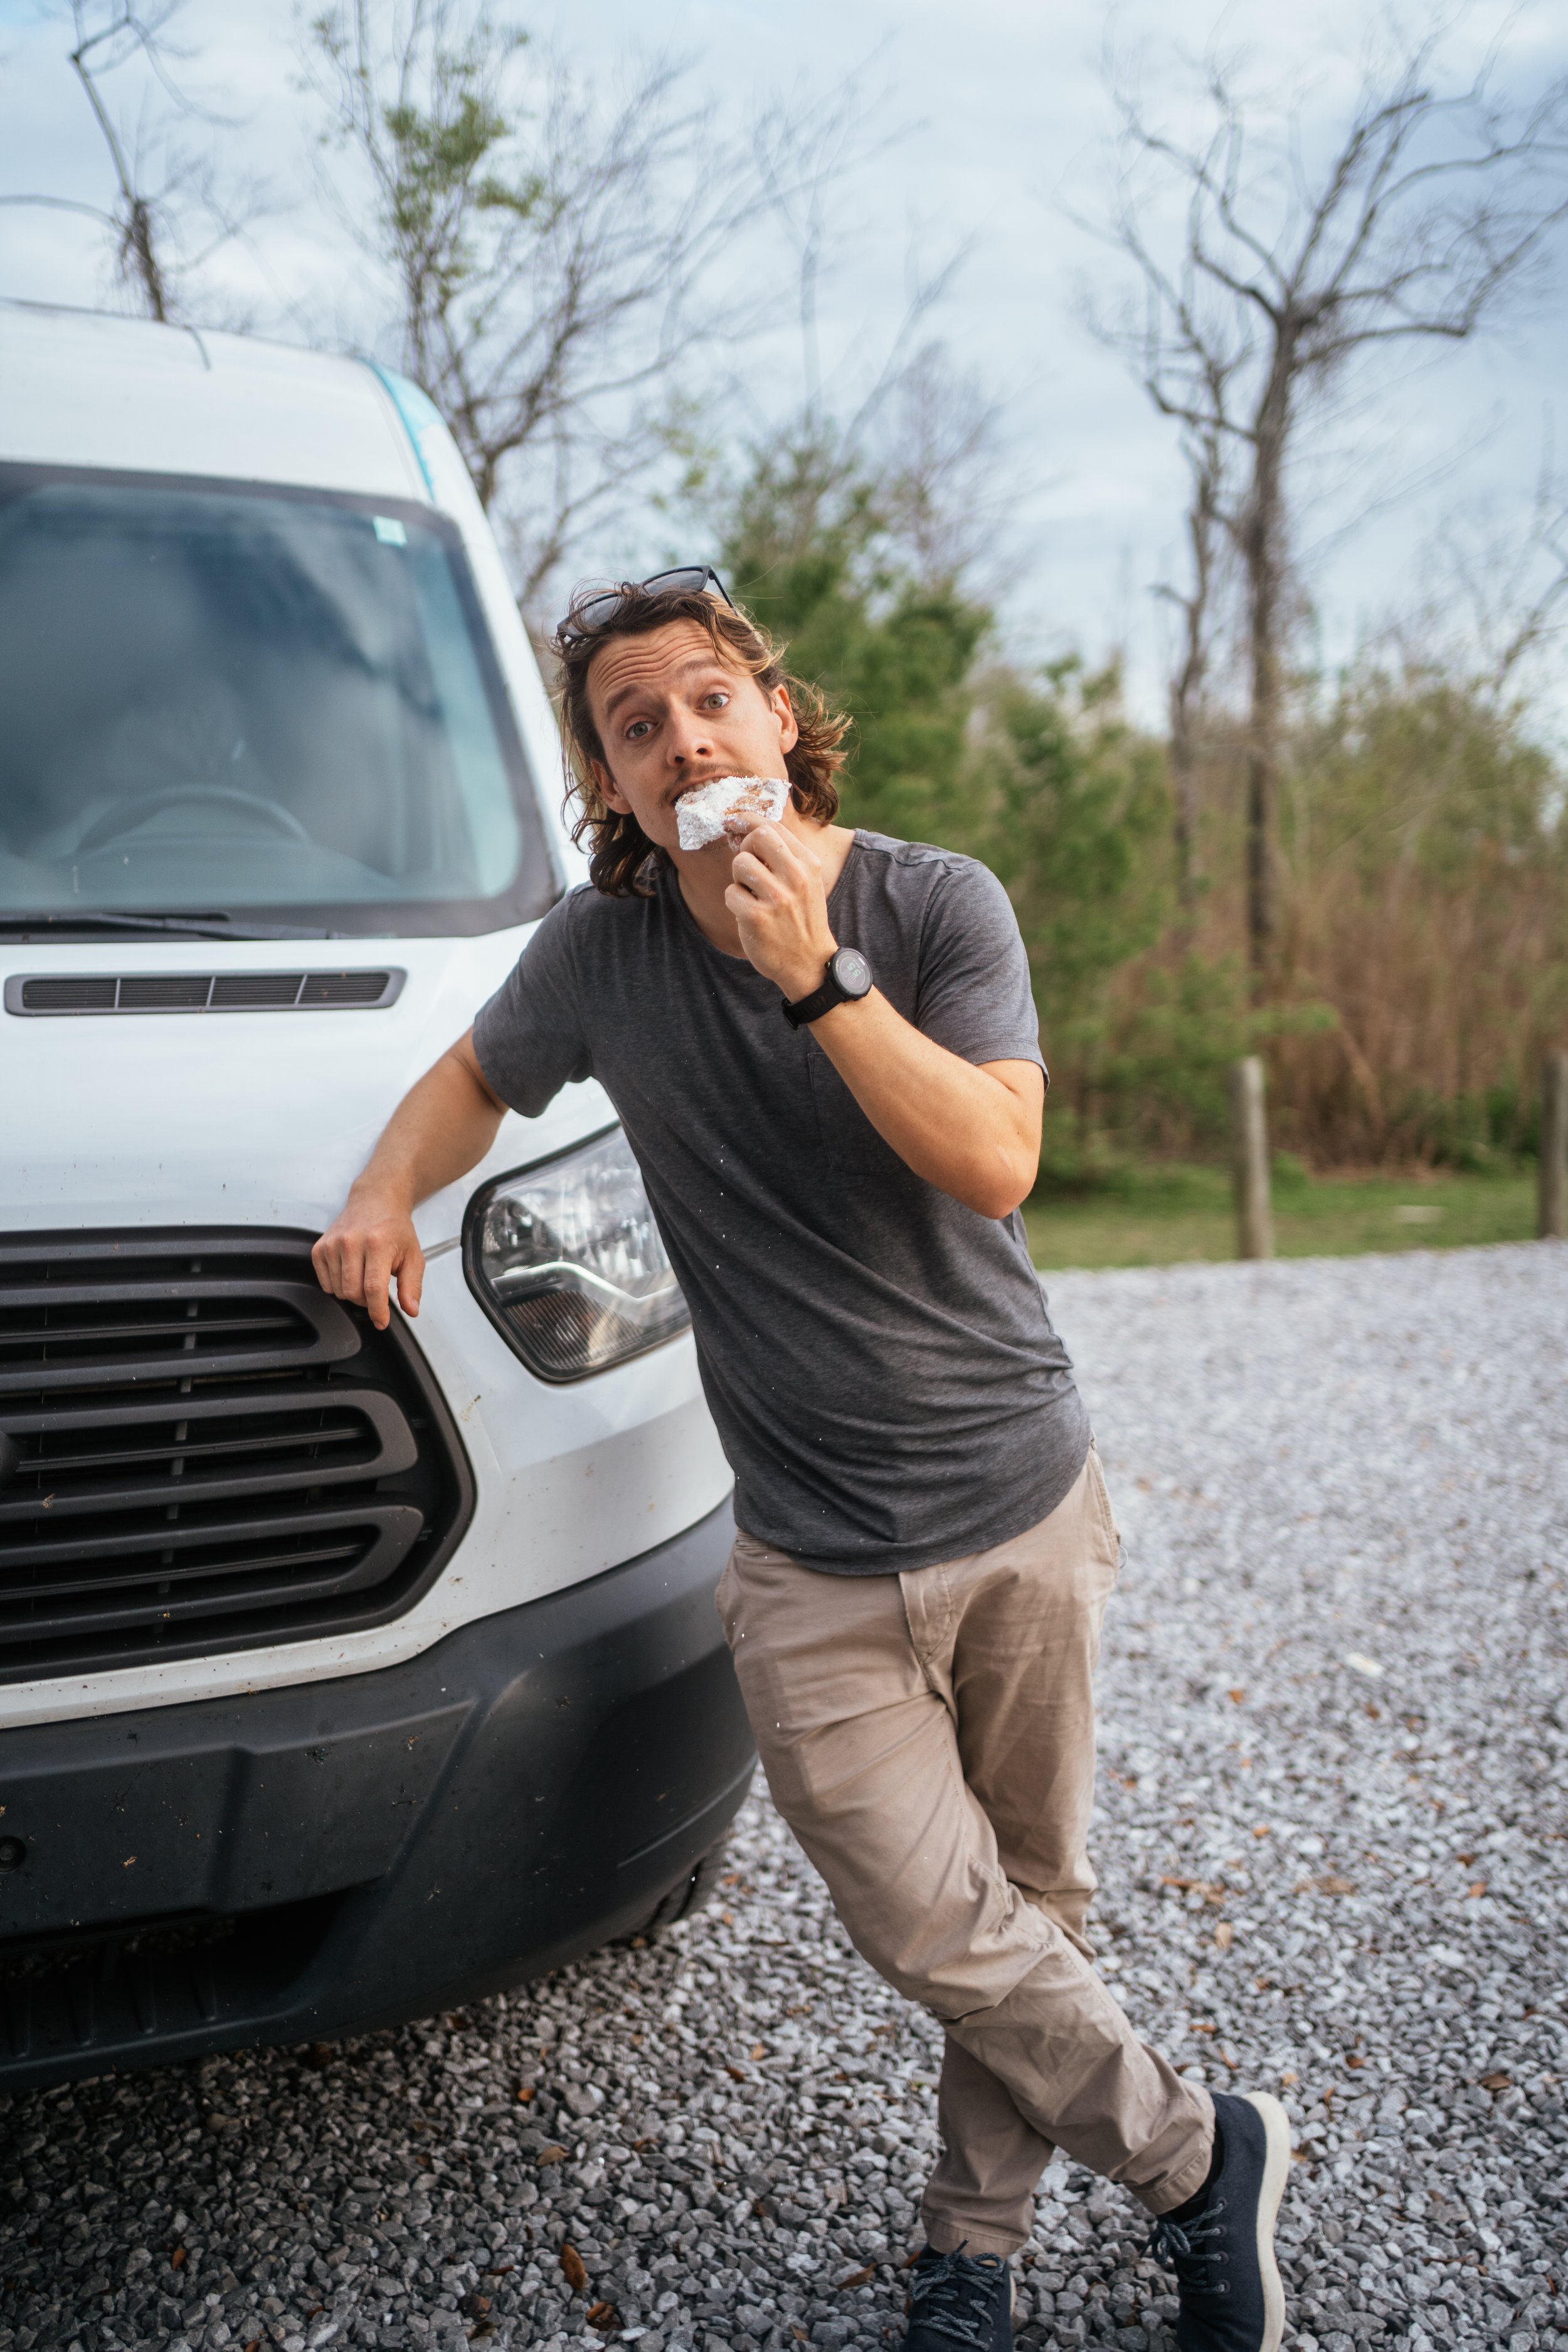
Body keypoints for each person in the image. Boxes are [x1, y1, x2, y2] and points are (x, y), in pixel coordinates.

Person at [312, 569, 1290, 2352]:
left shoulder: (931, 904)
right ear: (610, 787)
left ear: (776, 716)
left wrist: (813, 976)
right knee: (933, 1919)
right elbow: (476, 1076)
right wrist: (384, 1188)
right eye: (634, 723)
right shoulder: (599, 957)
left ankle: (970, 2251)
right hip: (810, 1555)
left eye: (708, 698)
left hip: (1014, 1502)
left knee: (1028, 1897)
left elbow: (994, 1161)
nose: (681, 736)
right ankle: (1194, 2157)